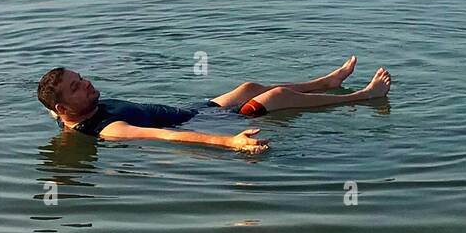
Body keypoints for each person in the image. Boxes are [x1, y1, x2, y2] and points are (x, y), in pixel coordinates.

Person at [36, 56, 390, 153]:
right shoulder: (108, 130)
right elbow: (169, 139)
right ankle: (363, 96)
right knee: (276, 98)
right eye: (76, 87)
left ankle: (326, 82)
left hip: (191, 110)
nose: (86, 84)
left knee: (248, 86)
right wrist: (229, 142)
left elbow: (49, 105)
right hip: (196, 125)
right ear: (67, 108)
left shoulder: (65, 111)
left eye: (81, 78)